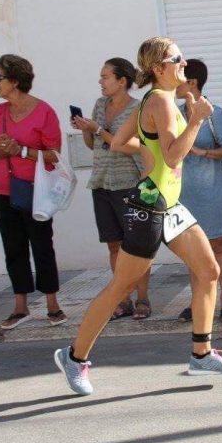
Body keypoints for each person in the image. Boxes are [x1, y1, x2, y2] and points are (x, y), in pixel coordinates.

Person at [54, 37, 222, 396]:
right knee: (121, 286)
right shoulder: (161, 102)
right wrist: (196, 121)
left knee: (208, 270)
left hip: (168, 204)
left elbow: (119, 142)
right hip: (150, 205)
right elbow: (174, 158)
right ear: (159, 68)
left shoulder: (152, 102)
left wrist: (150, 148)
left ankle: (201, 353)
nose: (184, 64)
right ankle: (74, 357)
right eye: (178, 59)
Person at [0, 54, 67, 329]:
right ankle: (20, 306)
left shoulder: (44, 112)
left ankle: (52, 304)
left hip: (36, 190)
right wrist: (3, 151)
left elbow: (54, 155)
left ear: (15, 81)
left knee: (42, 245)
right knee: (13, 247)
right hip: (3, 190)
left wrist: (21, 150)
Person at [71, 58, 152, 320]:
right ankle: (122, 298)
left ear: (122, 81)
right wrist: (86, 129)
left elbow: (134, 147)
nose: (100, 81)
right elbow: (93, 144)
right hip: (101, 182)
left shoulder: (138, 109)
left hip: (128, 183)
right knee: (114, 246)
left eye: (105, 76)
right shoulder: (99, 105)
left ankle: (143, 298)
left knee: (136, 246)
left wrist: (99, 130)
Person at [175, 59, 222, 323]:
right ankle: (198, 301)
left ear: (192, 83)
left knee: (218, 245)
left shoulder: (215, 113)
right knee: (193, 250)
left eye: (180, 78)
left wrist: (201, 152)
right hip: (184, 192)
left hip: (212, 190)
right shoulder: (175, 114)